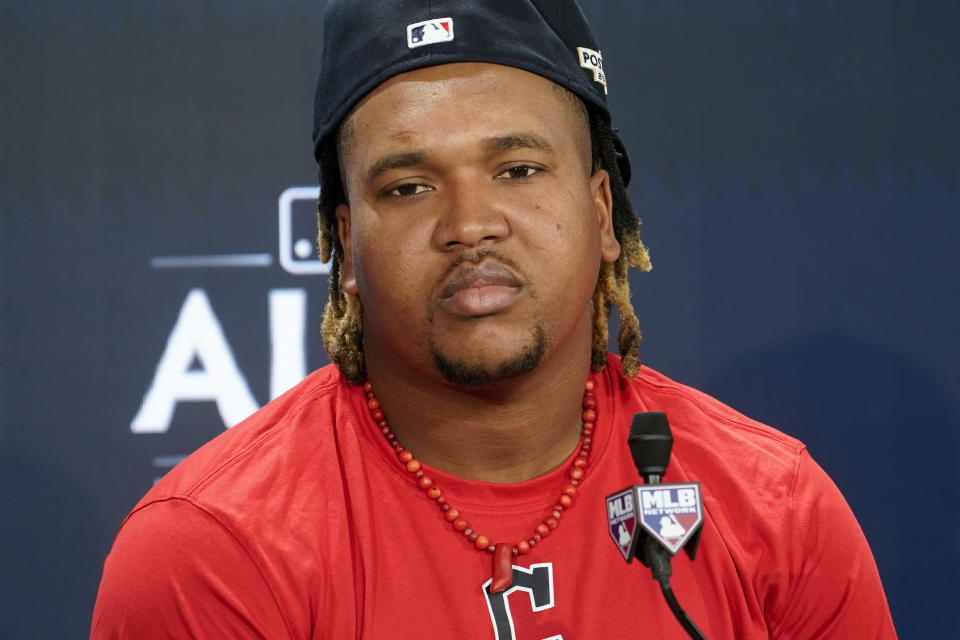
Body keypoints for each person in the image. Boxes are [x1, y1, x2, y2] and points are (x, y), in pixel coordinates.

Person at [91, 1, 898, 638]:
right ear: (343, 244)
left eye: (517, 170)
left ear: (602, 213)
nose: (470, 223)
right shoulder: (213, 550)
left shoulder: (775, 509)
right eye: (408, 186)